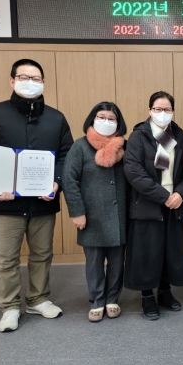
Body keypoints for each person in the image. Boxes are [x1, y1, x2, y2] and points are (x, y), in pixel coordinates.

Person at [0, 58, 73, 333]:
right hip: (5, 201)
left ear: (43, 83)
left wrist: (57, 183)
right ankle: (9, 306)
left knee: (42, 254)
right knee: (6, 258)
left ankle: (38, 299)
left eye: (36, 79)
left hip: (43, 201)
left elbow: (66, 155)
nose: (30, 83)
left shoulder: (56, 118)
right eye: (24, 77)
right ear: (12, 81)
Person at [123, 91, 183, 321]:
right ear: (149, 110)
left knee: (171, 250)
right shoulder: (138, 136)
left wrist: (181, 193)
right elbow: (134, 172)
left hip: (176, 203)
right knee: (148, 251)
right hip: (149, 203)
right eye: (158, 109)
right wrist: (163, 195)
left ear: (173, 111)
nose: (163, 113)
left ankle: (164, 291)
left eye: (167, 109)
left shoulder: (181, 137)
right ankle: (147, 296)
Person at [62, 102, 128, 322]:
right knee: (94, 263)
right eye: (101, 117)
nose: (106, 121)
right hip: (91, 216)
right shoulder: (80, 146)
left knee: (117, 262)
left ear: (118, 123)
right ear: (92, 119)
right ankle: (97, 300)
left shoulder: (124, 146)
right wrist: (77, 212)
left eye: (111, 118)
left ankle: (112, 299)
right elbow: (69, 180)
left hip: (119, 215)